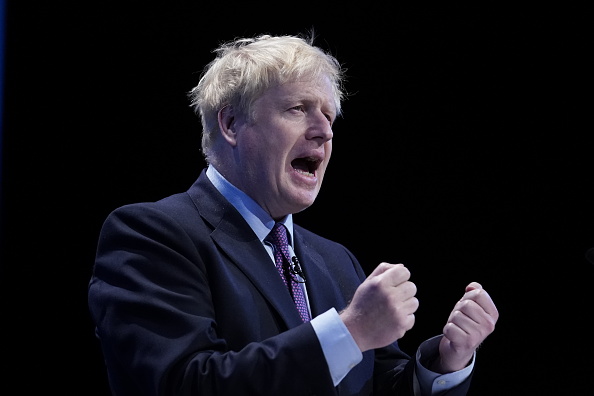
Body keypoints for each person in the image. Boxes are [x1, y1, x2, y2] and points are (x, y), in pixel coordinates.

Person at [87, 32, 499, 396]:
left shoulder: (336, 261)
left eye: (329, 115)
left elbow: (377, 383)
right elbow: (185, 382)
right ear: (231, 123)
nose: (325, 130)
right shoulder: (151, 234)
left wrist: (444, 364)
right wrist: (350, 330)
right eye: (298, 108)